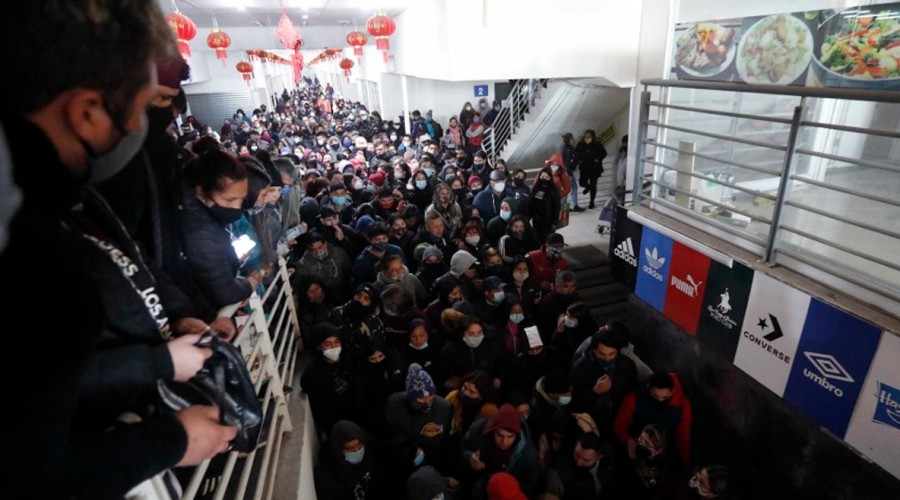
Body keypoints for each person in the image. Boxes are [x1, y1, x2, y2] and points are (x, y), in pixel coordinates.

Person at [1, 2, 236, 497]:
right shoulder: (30, 258)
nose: (145, 129)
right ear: (87, 112)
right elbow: (25, 473)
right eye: (145, 106)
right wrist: (170, 440)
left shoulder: (73, 199)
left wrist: (172, 315)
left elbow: (134, 261)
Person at [385, 364, 454, 470]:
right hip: (403, 464)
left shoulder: (445, 407)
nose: (427, 401)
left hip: (433, 463)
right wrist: (410, 450)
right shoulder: (394, 405)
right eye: (421, 397)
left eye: (430, 395)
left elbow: (448, 440)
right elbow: (389, 436)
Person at [314, 419, 379, 500]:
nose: (357, 451)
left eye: (359, 446)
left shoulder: (372, 457)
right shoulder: (327, 476)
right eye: (350, 449)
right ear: (339, 450)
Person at [574, 129, 607, 209]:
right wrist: (579, 160)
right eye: (586, 136)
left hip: (595, 168)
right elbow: (576, 153)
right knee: (582, 182)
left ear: (593, 136)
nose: (587, 138)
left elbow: (604, 153)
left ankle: (592, 202)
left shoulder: (597, 144)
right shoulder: (581, 144)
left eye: (589, 136)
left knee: (594, 185)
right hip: (584, 167)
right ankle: (588, 187)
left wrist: (598, 159)